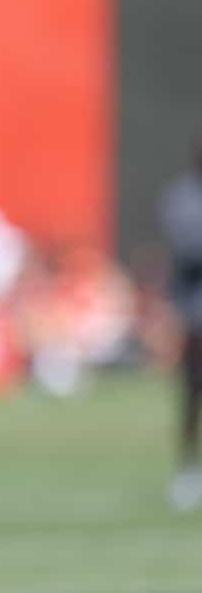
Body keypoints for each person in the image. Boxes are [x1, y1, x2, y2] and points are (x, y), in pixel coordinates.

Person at [159, 134, 202, 510]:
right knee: (193, 389)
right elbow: (189, 250)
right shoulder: (183, 197)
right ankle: (187, 468)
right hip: (196, 307)